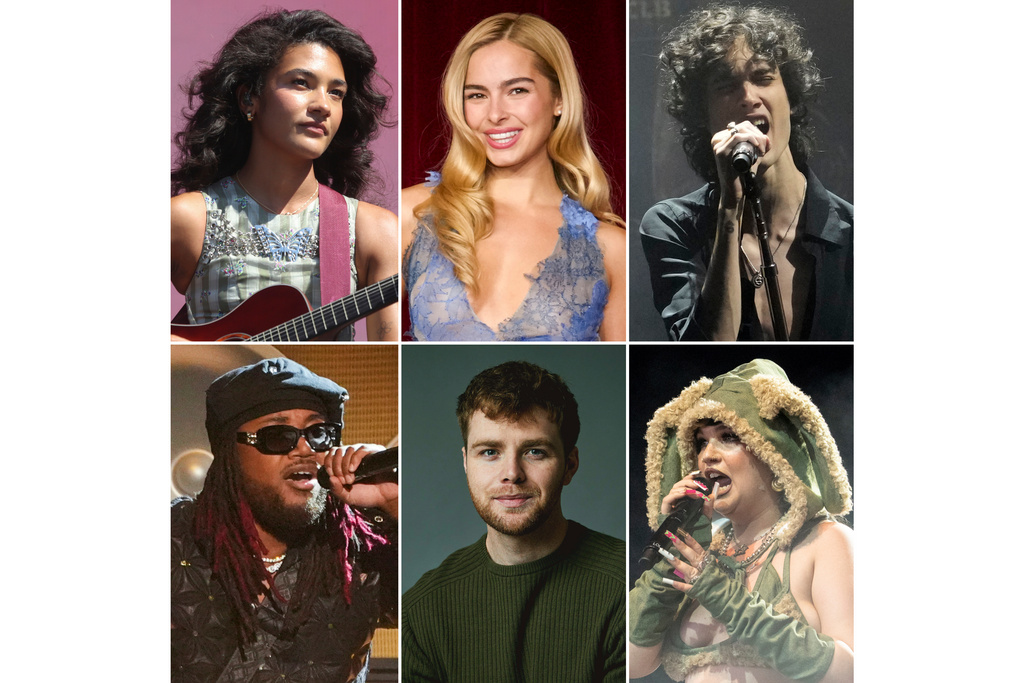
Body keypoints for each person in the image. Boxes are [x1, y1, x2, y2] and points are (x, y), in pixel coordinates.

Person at [171, 9, 399, 341]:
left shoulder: (373, 231)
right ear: (249, 97)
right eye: (301, 83)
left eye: (336, 92)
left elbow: (388, 370)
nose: (323, 104)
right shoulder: (188, 219)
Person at [401, 13, 626, 341]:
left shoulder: (609, 249)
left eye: (517, 90)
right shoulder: (413, 214)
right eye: (476, 95)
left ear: (559, 99)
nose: (495, 114)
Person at [171, 357, 398, 681]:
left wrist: (394, 504)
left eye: (319, 433)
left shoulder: (359, 544)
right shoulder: (174, 539)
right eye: (279, 436)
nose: (305, 449)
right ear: (228, 453)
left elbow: (449, 616)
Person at [628, 359, 853, 682]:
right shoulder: (701, 555)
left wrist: (728, 598)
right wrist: (673, 553)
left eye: (729, 437)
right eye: (702, 442)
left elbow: (851, 673)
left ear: (774, 453)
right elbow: (634, 665)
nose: (707, 455)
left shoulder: (826, 541)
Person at [402, 361, 626, 681]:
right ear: (466, 462)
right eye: (490, 452)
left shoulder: (627, 586)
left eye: (534, 451)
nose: (512, 473)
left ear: (569, 465)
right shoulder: (421, 612)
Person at [640, 3, 852, 341]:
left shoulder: (852, 233)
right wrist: (729, 210)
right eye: (726, 85)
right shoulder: (672, 226)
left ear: (791, 98)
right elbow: (705, 350)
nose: (747, 97)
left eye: (763, 77)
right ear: (703, 115)